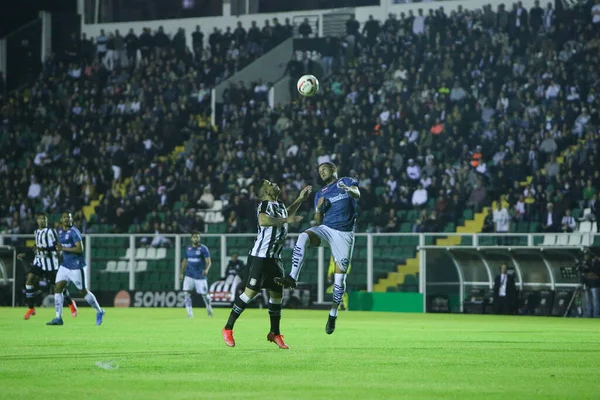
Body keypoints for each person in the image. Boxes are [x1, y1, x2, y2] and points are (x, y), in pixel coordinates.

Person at [222, 180, 312, 349]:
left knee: (277, 296)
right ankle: (227, 328)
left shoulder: (279, 204)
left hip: (275, 258)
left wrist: (300, 199)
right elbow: (263, 220)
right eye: (270, 183)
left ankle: (275, 333)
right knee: (249, 295)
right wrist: (286, 219)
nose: (274, 183)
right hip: (260, 257)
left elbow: (286, 215)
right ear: (265, 191)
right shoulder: (264, 205)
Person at [276, 162, 360, 334]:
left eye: (325, 169)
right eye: (319, 171)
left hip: (344, 235)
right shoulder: (320, 193)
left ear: (334, 170)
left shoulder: (346, 181)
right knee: (303, 236)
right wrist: (318, 208)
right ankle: (292, 277)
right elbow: (317, 219)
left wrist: (347, 189)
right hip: (327, 229)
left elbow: (357, 195)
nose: (321, 172)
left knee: (339, 282)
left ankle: (333, 314)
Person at [47, 211, 105, 326]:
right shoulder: (59, 232)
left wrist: (63, 248)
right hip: (64, 266)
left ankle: (99, 311)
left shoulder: (74, 232)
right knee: (58, 288)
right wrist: (58, 252)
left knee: (83, 291)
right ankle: (58, 317)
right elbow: (60, 248)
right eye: (64, 217)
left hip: (76, 266)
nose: (66, 219)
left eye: (68, 217)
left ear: (71, 219)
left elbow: (79, 249)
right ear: (61, 219)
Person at [19, 212, 78, 320]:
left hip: (50, 264)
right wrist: (26, 254)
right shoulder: (36, 232)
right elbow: (37, 246)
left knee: (59, 287)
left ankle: (70, 303)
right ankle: (31, 308)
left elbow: (57, 247)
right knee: (29, 281)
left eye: (44, 219)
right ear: (37, 220)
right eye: (40, 219)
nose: (42, 221)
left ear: (46, 220)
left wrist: (44, 249)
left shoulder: (51, 231)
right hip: (39, 262)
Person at [180, 231, 213, 318]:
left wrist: (207, 270)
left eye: (197, 237)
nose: (196, 238)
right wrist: (181, 273)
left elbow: (209, 262)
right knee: (186, 293)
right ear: (191, 238)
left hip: (200, 276)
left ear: (199, 238)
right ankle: (190, 314)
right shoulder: (188, 249)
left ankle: (209, 309)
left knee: (205, 295)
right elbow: (184, 261)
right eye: (194, 237)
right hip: (189, 275)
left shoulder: (203, 249)